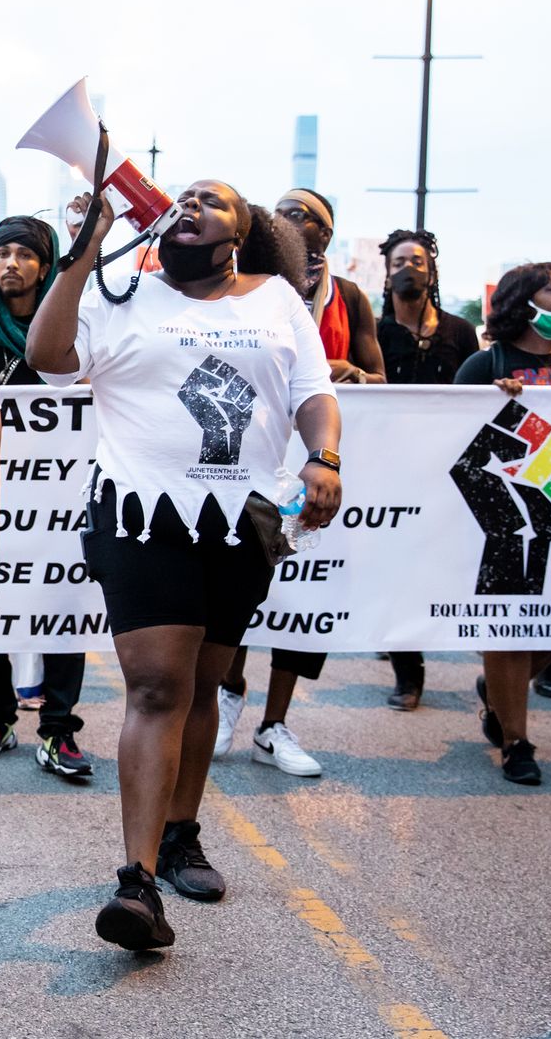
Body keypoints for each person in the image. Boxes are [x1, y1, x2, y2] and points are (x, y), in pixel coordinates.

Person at [27, 179, 340, 950]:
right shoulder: (121, 289)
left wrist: (323, 455)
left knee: (205, 681)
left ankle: (180, 835)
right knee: (159, 684)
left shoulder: (275, 297)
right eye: (185, 195)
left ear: (243, 230)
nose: (192, 204)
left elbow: (313, 390)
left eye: (214, 200)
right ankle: (136, 883)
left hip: (244, 523)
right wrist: (85, 250)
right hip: (140, 515)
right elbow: (47, 358)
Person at [214, 189, 389, 777]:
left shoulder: (350, 298)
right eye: (282, 211)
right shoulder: (244, 286)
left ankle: (275, 724)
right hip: (252, 461)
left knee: (305, 597)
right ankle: (228, 690)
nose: (289, 219)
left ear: (325, 235)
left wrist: (345, 371)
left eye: (304, 215)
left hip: (318, 463)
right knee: (239, 584)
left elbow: (379, 375)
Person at [0, 214, 93, 778]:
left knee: (62, 604)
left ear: (46, 265)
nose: (10, 264)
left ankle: (60, 730)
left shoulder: (71, 330)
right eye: (0, 253)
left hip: (58, 503)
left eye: (24, 254)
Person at [453, 262, 551, 786]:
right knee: (512, 625)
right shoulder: (487, 364)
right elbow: (452, 437)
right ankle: (516, 743)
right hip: (511, 516)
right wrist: (488, 401)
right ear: (521, 302)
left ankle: (499, 695)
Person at [373, 228, 477, 710]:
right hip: (391, 465)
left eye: (416, 261)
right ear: (386, 273)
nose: (407, 268)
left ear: (432, 271)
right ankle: (407, 671)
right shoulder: (375, 330)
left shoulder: (459, 331)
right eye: (398, 262)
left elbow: (474, 388)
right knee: (398, 565)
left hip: (447, 465)